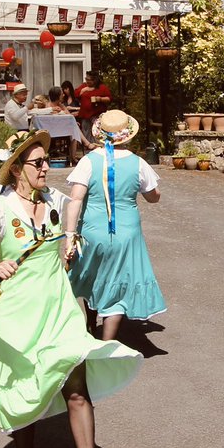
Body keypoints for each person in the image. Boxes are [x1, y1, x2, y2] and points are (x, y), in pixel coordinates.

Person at [0, 130, 143, 448]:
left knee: (76, 389)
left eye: (47, 160)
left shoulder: (55, 200)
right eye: (38, 162)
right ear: (16, 171)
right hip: (19, 313)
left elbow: (80, 221)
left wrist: (76, 243)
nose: (47, 167)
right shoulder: (0, 210)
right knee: (23, 391)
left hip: (60, 309)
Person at [65, 110, 165, 341]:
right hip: (126, 233)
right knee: (118, 283)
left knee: (92, 274)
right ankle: (106, 343)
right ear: (127, 136)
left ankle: (90, 323)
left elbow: (76, 199)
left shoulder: (88, 161)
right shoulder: (138, 163)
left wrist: (70, 235)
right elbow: (153, 196)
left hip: (92, 230)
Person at [75, 71, 112, 142]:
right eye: (86, 79)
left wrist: (100, 99)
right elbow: (76, 94)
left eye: (89, 80)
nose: (87, 81)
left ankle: (98, 147)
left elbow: (109, 98)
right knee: (86, 133)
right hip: (85, 115)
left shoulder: (102, 88)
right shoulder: (84, 86)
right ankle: (89, 148)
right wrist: (83, 90)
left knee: (97, 133)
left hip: (96, 114)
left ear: (95, 80)